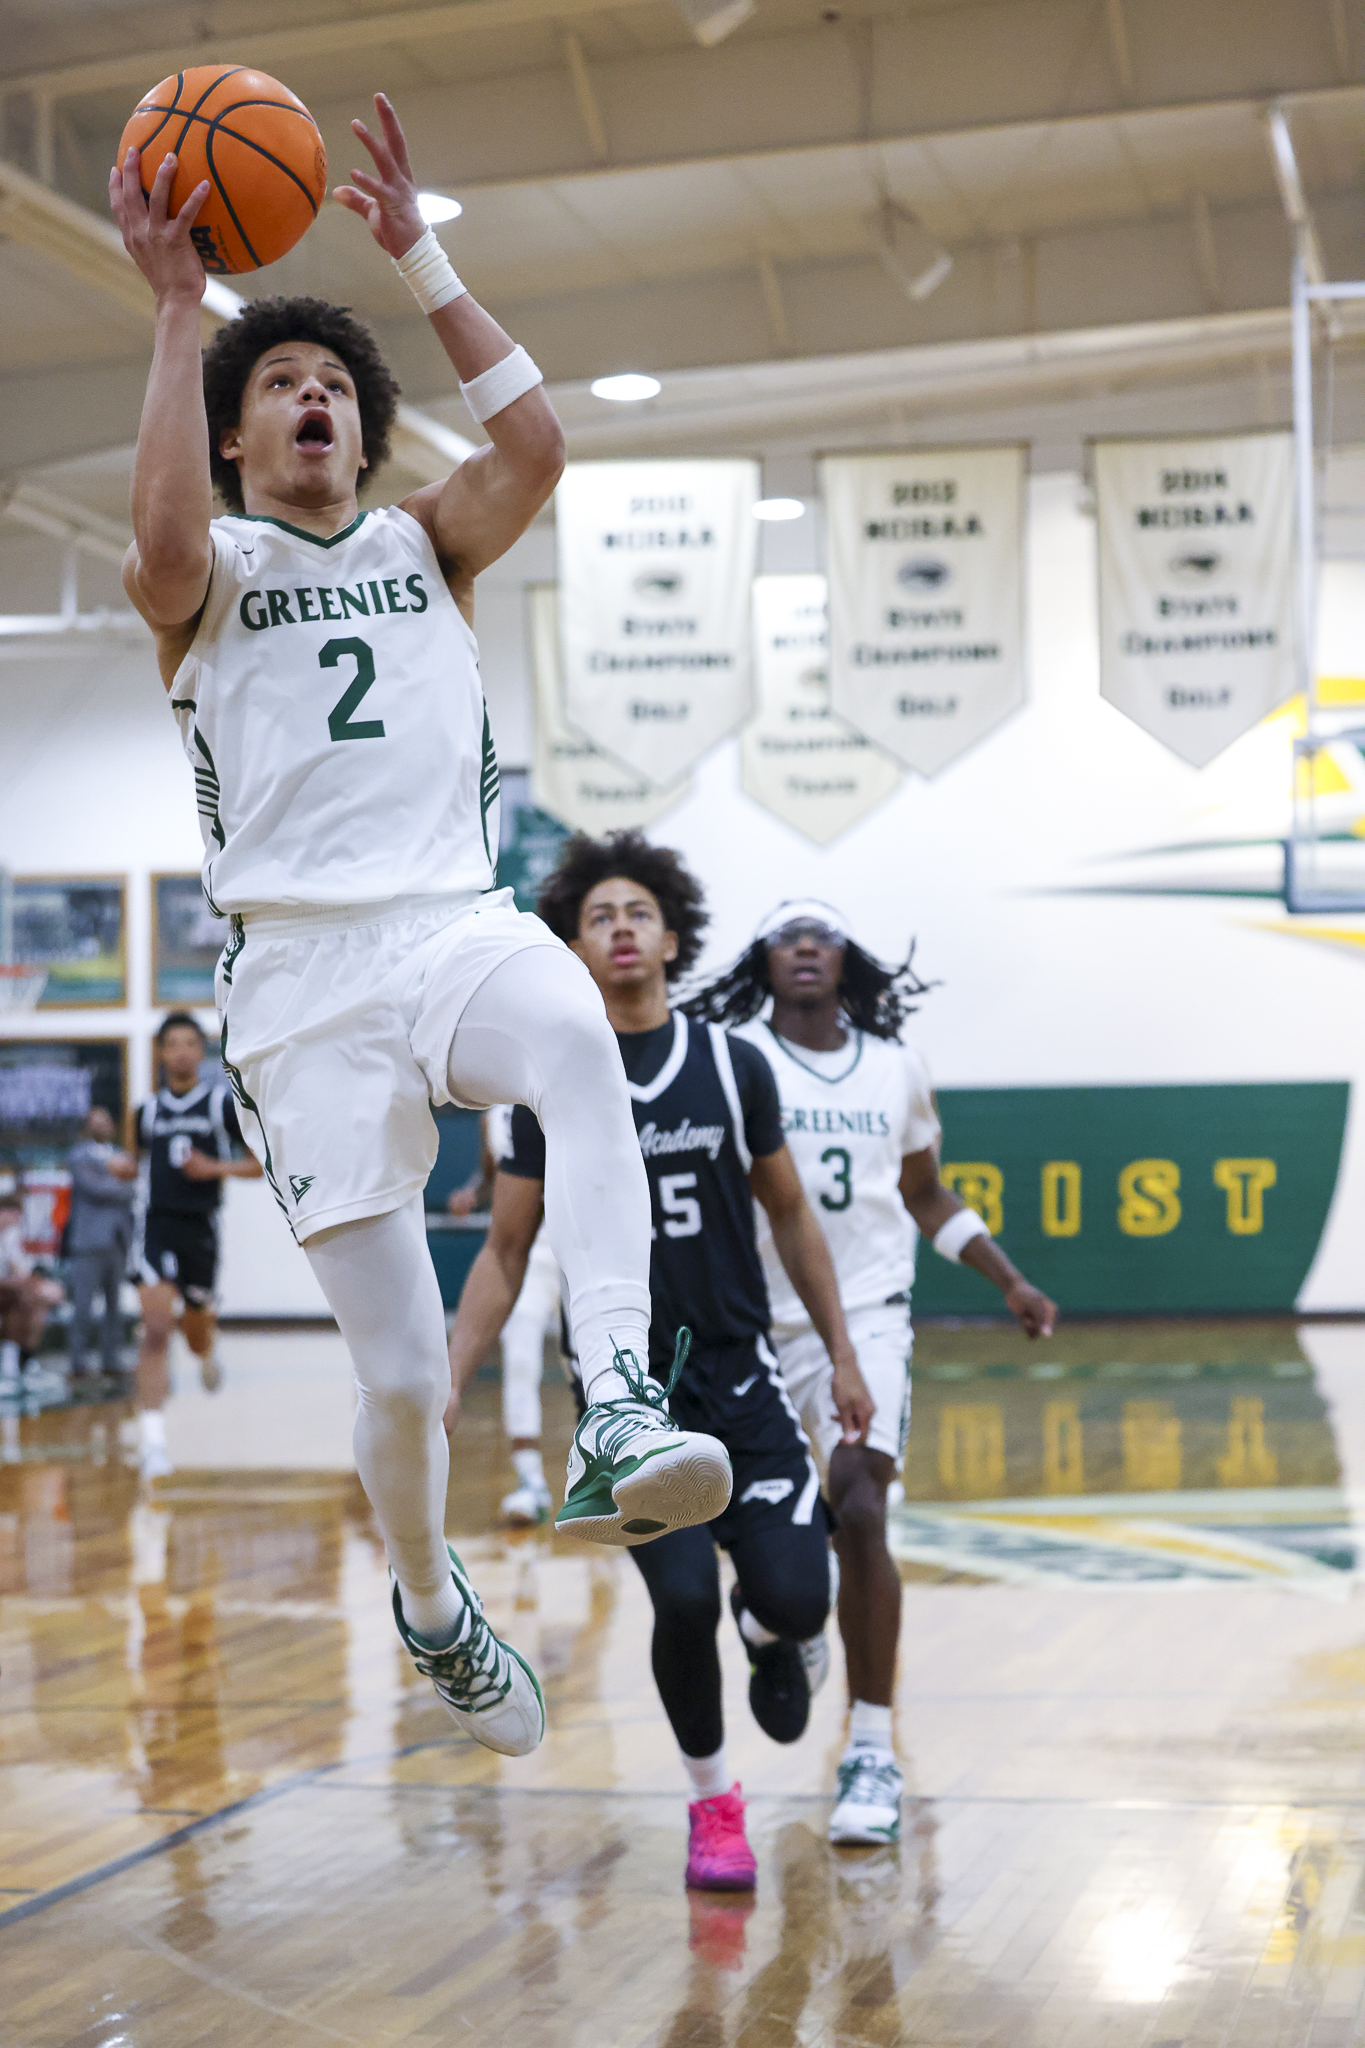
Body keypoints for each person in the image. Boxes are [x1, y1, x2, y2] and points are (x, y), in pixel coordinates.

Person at [109, 92, 729, 1758]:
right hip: (300, 981)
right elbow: (155, 542)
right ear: (235, 436)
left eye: (331, 383)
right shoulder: (210, 575)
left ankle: (617, 1397)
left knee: (580, 1041)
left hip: (452, 921)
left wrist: (421, 257)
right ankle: (431, 1604)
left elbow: (535, 450)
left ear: (364, 425)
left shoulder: (426, 541)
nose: (311, 396)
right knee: (400, 1377)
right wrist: (177, 312)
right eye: (278, 385)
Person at [447, 835, 872, 1888]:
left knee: (802, 1599)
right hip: (627, 1396)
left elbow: (792, 1215)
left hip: (740, 1375)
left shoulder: (732, 1065)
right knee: (680, 1602)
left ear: (672, 937)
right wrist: (446, 1376)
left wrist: (842, 1352)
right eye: (599, 916)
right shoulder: (548, 1084)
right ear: (574, 950)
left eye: (639, 911)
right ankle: (713, 1805)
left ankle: (771, 1628)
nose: (622, 927)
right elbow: (506, 1249)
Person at [690, 903, 1058, 1847]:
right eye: (787, 936)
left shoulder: (897, 1068)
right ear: (764, 961)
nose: (805, 946)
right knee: (769, 1542)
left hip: (868, 1321)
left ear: (845, 958)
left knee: (859, 1504)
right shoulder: (734, 1060)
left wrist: (1008, 1278)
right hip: (752, 1326)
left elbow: (922, 1193)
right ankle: (776, 1621)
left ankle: (870, 1749)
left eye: (821, 934)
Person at [132, 1013, 264, 1478]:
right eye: (173, 1044)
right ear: (160, 1052)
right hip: (155, 1226)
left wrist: (213, 1169)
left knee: (193, 1334)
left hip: (201, 1230)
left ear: (201, 1051)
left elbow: (258, 1165)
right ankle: (153, 1442)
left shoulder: (219, 1105)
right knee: (154, 1328)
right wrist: (120, 1169)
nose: (182, 1052)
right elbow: (135, 1162)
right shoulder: (146, 1112)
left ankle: (207, 1348)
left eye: (190, 1043)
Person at [446, 1106, 562, 1525]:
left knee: (590, 1363)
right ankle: (530, 1480)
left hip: (576, 1245)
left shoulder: (560, 1088)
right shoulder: (492, 1115)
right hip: (526, 1248)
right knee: (520, 1354)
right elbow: (493, 1174)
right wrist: (472, 1192)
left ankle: (610, 1474)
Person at [66, 1105, 138, 1380]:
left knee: (114, 1306)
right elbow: (96, 1189)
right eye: (95, 1122)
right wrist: (120, 1181)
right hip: (88, 1241)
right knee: (83, 1306)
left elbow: (131, 1189)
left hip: (118, 1240)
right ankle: (78, 1362)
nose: (101, 1125)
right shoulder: (79, 1156)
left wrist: (121, 1182)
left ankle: (111, 1360)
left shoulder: (120, 1154)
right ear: (87, 1126)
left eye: (105, 1120)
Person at [0, 1189, 63, 1389]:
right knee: (27, 1296)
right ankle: (15, 1360)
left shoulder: (10, 1236)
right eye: (13, 1213)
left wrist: (41, 1287)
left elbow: (20, 1270)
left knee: (33, 1302)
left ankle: (19, 1361)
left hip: (9, 1292)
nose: (17, 1218)